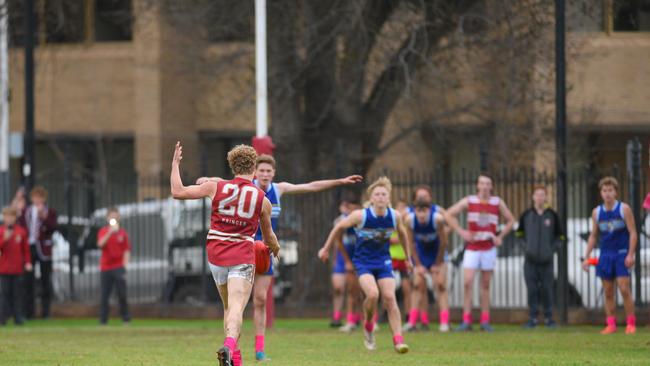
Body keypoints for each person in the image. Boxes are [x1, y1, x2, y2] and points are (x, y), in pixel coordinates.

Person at [199, 154, 362, 361]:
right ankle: (235, 353)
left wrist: (339, 182)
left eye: (269, 171)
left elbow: (310, 186)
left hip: (264, 251)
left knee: (259, 300)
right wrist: (206, 179)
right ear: (255, 172)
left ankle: (259, 349)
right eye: (262, 170)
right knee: (236, 305)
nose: (265, 174)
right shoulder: (248, 190)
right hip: (243, 250)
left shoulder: (279, 189)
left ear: (273, 173)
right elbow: (220, 183)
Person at [171, 142, 280, 366]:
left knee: (229, 307)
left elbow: (177, 191)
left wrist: (175, 164)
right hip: (241, 255)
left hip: (216, 255)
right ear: (254, 167)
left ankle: (235, 360)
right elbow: (268, 237)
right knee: (238, 307)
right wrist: (276, 250)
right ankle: (229, 346)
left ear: (232, 166)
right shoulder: (263, 200)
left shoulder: (215, 187)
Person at [318, 177, 411, 354]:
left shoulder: (394, 216)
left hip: (383, 262)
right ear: (372, 198)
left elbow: (403, 234)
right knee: (373, 294)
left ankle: (398, 341)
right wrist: (325, 248)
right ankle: (368, 325)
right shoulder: (361, 215)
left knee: (390, 297)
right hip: (363, 263)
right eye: (377, 194)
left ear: (388, 197)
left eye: (384, 194)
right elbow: (338, 227)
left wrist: (408, 258)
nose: (381, 197)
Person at [445, 174, 514, 332]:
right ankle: (466, 320)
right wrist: (461, 231)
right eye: (482, 183)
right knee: (468, 282)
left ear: (491, 186)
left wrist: (500, 237)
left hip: (489, 248)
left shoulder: (497, 202)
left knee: (485, 284)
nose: (484, 186)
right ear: (477, 185)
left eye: (487, 183)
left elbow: (511, 220)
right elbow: (448, 214)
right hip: (472, 247)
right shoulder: (469, 200)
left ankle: (484, 320)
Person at [582, 177, 637, 335]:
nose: (607, 194)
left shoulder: (623, 209)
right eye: (604, 191)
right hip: (605, 255)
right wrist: (587, 256)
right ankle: (611, 324)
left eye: (610, 190)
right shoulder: (596, 213)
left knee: (624, 288)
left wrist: (630, 254)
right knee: (608, 291)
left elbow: (633, 233)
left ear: (616, 192)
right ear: (601, 193)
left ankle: (631, 323)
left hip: (621, 254)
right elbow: (593, 235)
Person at [516, 186, 563, 328]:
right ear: (533, 197)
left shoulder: (552, 215)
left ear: (546, 197)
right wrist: (526, 248)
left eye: (542, 195)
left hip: (547, 261)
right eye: (537, 195)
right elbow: (519, 235)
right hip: (530, 261)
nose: (540, 198)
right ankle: (533, 319)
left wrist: (551, 250)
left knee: (547, 289)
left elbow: (560, 237)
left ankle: (549, 318)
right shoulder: (526, 215)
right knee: (532, 290)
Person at [403, 197, 451, 333]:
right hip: (421, 254)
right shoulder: (409, 220)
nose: (422, 215)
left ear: (429, 210)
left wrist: (437, 264)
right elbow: (410, 244)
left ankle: (444, 322)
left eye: (424, 211)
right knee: (417, 285)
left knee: (440, 285)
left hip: (437, 254)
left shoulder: (438, 220)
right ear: (415, 211)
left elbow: (443, 243)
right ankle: (412, 322)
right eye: (419, 211)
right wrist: (417, 265)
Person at [19, 186, 58, 319]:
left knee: (45, 281)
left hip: (44, 249)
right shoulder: (26, 211)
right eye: (35, 197)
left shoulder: (50, 212)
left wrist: (44, 217)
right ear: (32, 198)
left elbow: (53, 228)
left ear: (44, 199)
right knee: (27, 281)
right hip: (29, 248)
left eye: (40, 197)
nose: (38, 200)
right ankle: (28, 312)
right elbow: (22, 228)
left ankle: (46, 312)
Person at [329, 199, 360, 328]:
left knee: (355, 290)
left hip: (358, 259)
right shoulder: (341, 222)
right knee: (338, 287)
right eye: (349, 208)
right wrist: (342, 260)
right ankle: (337, 317)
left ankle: (355, 317)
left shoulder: (362, 222)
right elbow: (338, 243)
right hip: (343, 260)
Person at [97, 207, 132, 325]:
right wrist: (110, 232)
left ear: (119, 217)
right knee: (104, 295)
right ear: (107, 218)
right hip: (105, 267)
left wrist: (125, 266)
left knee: (122, 294)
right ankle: (103, 320)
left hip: (118, 267)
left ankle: (125, 318)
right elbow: (100, 244)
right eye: (111, 216)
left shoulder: (123, 233)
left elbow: (126, 250)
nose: (113, 218)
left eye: (115, 215)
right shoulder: (103, 231)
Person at [0, 207, 32, 325]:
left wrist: (28, 262)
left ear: (15, 218)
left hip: (17, 269)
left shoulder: (21, 231)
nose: (9, 219)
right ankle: (2, 318)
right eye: (7, 216)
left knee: (18, 295)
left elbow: (26, 250)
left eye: (11, 216)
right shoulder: (1, 231)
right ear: (4, 218)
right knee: (4, 295)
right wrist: (4, 239)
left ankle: (18, 318)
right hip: (4, 269)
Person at [390, 200, 412, 327]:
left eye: (404, 208)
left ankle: (409, 316)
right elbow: (390, 239)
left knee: (406, 288)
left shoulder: (408, 223)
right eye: (399, 208)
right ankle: (385, 314)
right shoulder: (392, 221)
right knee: (387, 288)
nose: (401, 211)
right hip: (391, 258)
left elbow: (407, 238)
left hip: (404, 259)